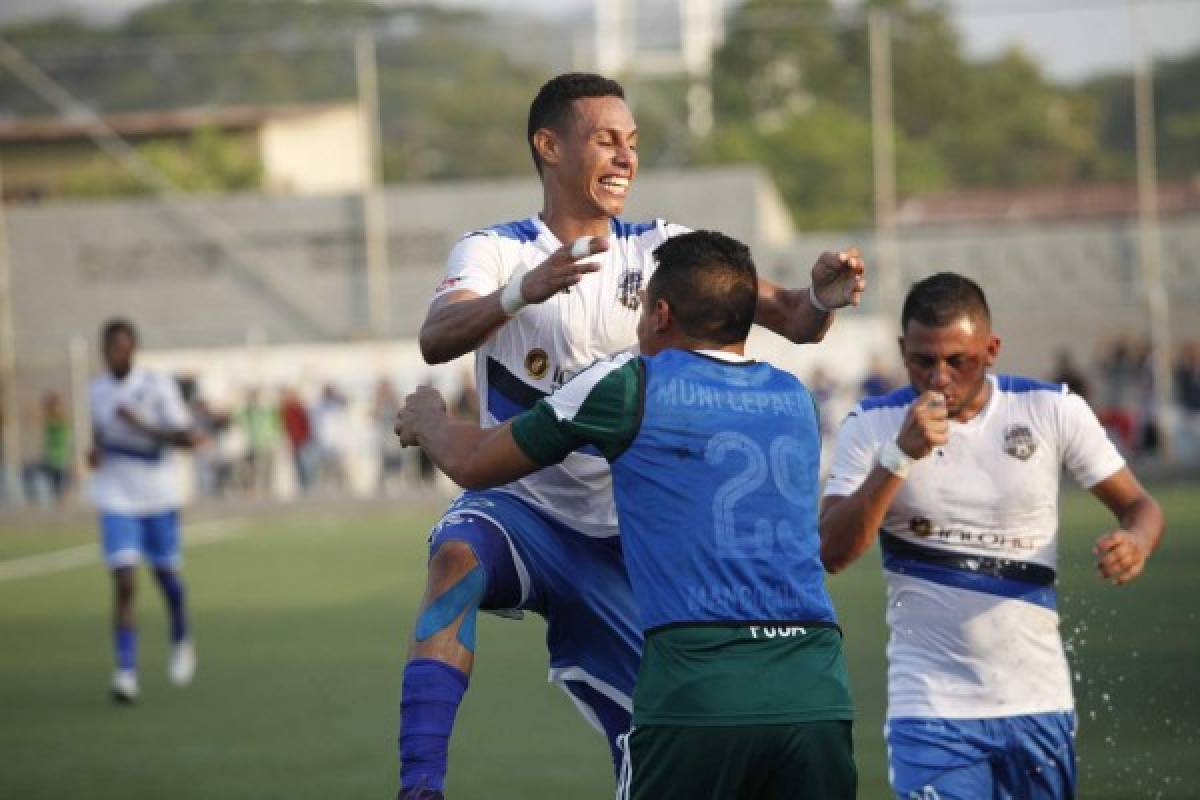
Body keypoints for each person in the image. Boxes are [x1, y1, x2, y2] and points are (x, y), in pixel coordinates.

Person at [396, 72, 866, 798]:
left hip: (630, 541)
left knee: (651, 750)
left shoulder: (664, 248)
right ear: (548, 146)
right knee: (456, 553)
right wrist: (524, 290)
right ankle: (420, 783)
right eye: (606, 140)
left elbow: (795, 319)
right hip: (526, 510)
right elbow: (436, 337)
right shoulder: (494, 250)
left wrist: (826, 297)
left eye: (633, 143)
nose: (625, 158)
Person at [819, 273, 1164, 799]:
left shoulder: (1049, 409)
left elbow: (1139, 506)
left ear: (991, 350)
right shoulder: (873, 423)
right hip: (930, 709)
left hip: (1037, 703)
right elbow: (832, 551)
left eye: (959, 361)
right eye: (922, 360)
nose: (939, 378)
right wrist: (900, 456)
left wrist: (1137, 541)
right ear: (901, 352)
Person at [88, 318, 201, 703]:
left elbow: (188, 439)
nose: (117, 354)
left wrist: (143, 426)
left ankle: (181, 634)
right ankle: (125, 672)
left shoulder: (157, 387)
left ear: (134, 349)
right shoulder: (96, 391)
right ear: (103, 351)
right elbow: (100, 438)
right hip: (116, 499)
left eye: (124, 347)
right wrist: (95, 452)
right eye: (110, 348)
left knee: (166, 578)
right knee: (124, 581)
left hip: (158, 498)